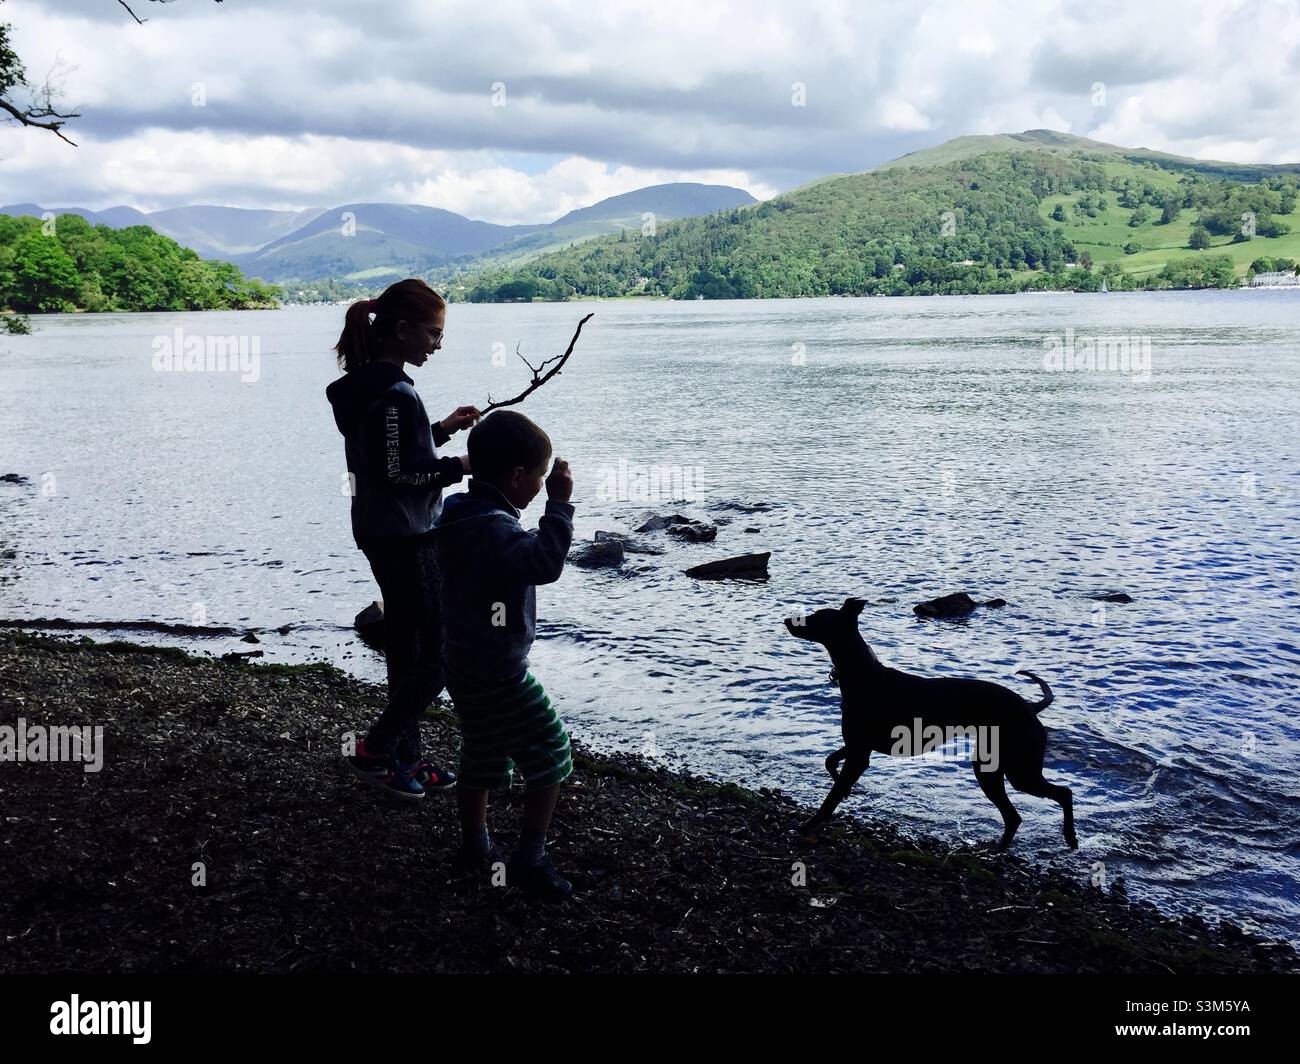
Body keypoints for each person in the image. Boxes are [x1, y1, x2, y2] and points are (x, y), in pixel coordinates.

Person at [326, 278, 478, 800]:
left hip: (378, 528)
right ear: (404, 329)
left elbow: (390, 454)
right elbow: (401, 476)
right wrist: (458, 467)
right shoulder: (395, 393)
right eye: (434, 334)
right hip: (405, 535)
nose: (437, 344)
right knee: (441, 650)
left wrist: (442, 429)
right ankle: (375, 749)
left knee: (406, 649)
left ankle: (405, 760)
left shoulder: (371, 384)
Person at [431, 411, 576, 897]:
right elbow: (544, 563)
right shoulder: (497, 530)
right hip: (500, 671)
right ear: (518, 477)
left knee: (483, 751)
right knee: (553, 754)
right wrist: (558, 507)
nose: (539, 485)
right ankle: (530, 860)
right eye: (537, 478)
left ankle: (475, 846)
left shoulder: (455, 513)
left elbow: (504, 555)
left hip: (460, 661)